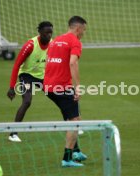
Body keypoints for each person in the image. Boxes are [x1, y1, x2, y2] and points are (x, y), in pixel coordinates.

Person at [43, 16, 87, 167]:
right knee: (75, 121)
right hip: (62, 87)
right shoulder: (75, 42)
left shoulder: (55, 41)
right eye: (84, 30)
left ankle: (76, 151)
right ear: (78, 28)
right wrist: (78, 86)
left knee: (71, 117)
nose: (83, 33)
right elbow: (73, 62)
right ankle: (67, 159)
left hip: (48, 86)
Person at [7, 21, 53, 141]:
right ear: (39, 32)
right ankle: (13, 134)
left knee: (60, 96)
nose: (49, 35)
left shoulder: (53, 44)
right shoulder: (30, 45)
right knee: (27, 101)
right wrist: (12, 87)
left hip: (42, 77)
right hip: (27, 76)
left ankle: (73, 124)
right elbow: (17, 65)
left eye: (51, 33)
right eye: (46, 33)